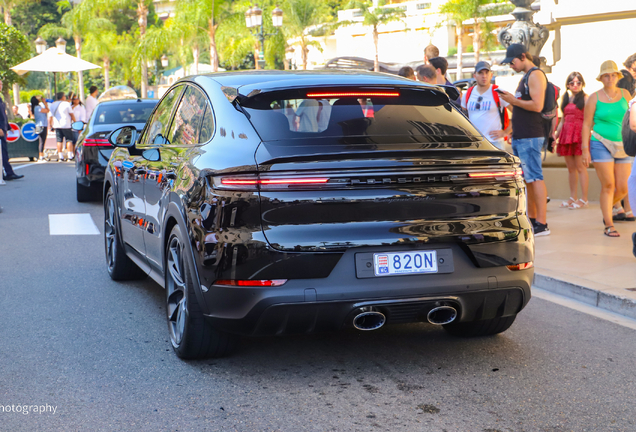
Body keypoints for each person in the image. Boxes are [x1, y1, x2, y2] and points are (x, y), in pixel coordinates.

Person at [497, 43, 550, 236]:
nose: (511, 66)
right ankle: (534, 219)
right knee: (529, 179)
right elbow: (523, 106)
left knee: (535, 177)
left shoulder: (535, 75)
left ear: (522, 56)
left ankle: (542, 224)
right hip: (522, 136)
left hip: (530, 135)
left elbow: (537, 105)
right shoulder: (526, 77)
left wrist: (513, 100)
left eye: (512, 62)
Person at [581, 60, 633, 237]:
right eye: (606, 75)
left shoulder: (626, 94)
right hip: (600, 142)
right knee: (609, 185)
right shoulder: (594, 97)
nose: (610, 78)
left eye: (613, 74)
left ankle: (608, 204)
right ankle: (609, 224)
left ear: (617, 77)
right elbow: (586, 124)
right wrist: (585, 150)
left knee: (623, 187)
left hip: (623, 143)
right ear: (601, 78)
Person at [554, 72, 589, 209]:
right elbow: (562, 120)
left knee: (581, 167)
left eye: (578, 82)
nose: (575, 85)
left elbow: (588, 119)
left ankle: (584, 198)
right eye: (572, 83)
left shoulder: (586, 98)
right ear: (568, 85)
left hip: (579, 135)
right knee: (570, 169)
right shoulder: (566, 98)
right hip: (566, 135)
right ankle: (572, 197)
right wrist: (555, 136)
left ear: (582, 84)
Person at [461, 61, 511, 151]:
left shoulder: (498, 92)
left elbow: (517, 112)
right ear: (475, 76)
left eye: (486, 72)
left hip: (494, 143)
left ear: (491, 75)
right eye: (480, 73)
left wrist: (505, 132)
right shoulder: (468, 93)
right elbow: (463, 117)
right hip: (475, 143)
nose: (484, 76)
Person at [0, 80, 24, 181]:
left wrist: (8, 126)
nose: (0, 86)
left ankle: (5, 173)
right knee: (2, 153)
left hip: (3, 128)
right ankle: (8, 173)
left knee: (3, 152)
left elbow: (2, 115)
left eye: (1, 84)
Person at [48, 91, 76, 162]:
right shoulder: (66, 104)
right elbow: (71, 114)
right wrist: (75, 122)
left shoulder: (53, 104)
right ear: (62, 97)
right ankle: (70, 155)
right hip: (66, 124)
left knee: (59, 140)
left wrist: (51, 125)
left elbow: (50, 117)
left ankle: (60, 156)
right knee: (69, 139)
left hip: (57, 125)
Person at [31, 95, 50, 162]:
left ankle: (41, 155)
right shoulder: (38, 107)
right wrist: (45, 103)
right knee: (42, 141)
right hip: (42, 125)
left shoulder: (34, 107)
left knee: (41, 141)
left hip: (39, 125)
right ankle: (41, 156)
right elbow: (47, 110)